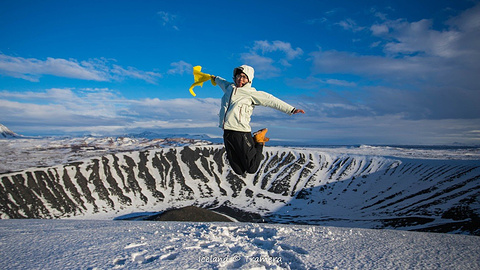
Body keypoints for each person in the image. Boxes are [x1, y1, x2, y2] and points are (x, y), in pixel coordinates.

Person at [210, 65, 305, 175]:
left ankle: (259, 140)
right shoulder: (229, 88)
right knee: (239, 170)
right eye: (238, 76)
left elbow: (271, 100)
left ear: (249, 79)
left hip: (241, 132)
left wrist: (291, 109)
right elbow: (221, 81)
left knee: (252, 168)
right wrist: (213, 78)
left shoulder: (251, 93)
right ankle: (255, 141)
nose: (240, 79)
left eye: (244, 77)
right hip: (227, 133)